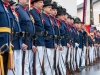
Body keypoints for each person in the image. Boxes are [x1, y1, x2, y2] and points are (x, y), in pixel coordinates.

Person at [15, 0, 36, 75]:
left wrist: (33, 44)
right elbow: (16, 28)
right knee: (21, 67)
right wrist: (21, 43)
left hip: (29, 42)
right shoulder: (17, 9)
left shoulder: (26, 11)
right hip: (23, 43)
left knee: (27, 65)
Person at [7, 0, 23, 75]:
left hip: (18, 42)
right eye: (13, 6)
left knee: (18, 65)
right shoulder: (9, 14)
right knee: (11, 65)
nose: (14, 7)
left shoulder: (14, 15)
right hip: (12, 41)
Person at [30, 0, 45, 75]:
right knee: (35, 63)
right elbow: (32, 27)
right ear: (35, 3)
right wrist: (33, 42)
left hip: (41, 39)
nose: (43, 4)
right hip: (36, 40)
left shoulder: (38, 13)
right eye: (40, 2)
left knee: (39, 62)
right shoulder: (32, 12)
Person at [42, 1, 55, 75]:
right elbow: (42, 30)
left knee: (50, 61)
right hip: (46, 42)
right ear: (44, 8)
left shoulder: (49, 17)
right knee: (46, 63)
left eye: (51, 7)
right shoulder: (42, 16)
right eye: (49, 7)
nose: (51, 9)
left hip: (51, 42)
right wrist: (44, 42)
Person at [0, 0, 11, 74]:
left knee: (4, 67)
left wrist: (9, 41)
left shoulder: (4, 6)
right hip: (1, 41)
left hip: (5, 42)